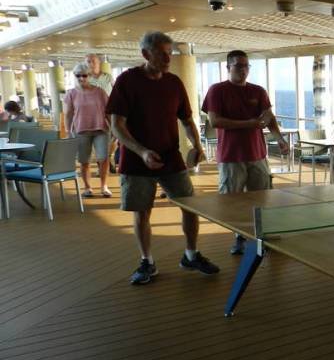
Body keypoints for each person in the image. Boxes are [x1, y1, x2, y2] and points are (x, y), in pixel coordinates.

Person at [106, 30, 219, 285]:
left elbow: (187, 119)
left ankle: (191, 254)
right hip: (136, 160)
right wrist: (142, 151)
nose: (168, 59)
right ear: (146, 54)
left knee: (190, 206)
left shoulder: (174, 83)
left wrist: (197, 145)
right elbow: (117, 125)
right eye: (162, 54)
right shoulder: (127, 81)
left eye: (170, 53)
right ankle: (147, 261)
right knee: (142, 212)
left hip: (170, 157)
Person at [201, 49, 290, 255]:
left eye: (246, 66)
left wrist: (280, 139)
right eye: (238, 65)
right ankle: (239, 237)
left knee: (262, 198)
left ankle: (264, 236)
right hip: (231, 156)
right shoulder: (217, 90)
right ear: (228, 67)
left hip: (257, 154)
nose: (243, 70)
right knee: (233, 201)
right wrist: (248, 123)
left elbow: (269, 117)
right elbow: (215, 121)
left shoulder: (258, 91)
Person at [64, 62, 112, 198]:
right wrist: (68, 132)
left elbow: (108, 112)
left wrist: (114, 128)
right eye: (78, 75)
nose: (81, 78)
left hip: (101, 129)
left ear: (89, 76)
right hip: (81, 130)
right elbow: (68, 114)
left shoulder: (100, 92)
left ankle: (104, 186)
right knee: (84, 161)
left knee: (103, 159)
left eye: (84, 75)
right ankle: (87, 187)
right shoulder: (71, 93)